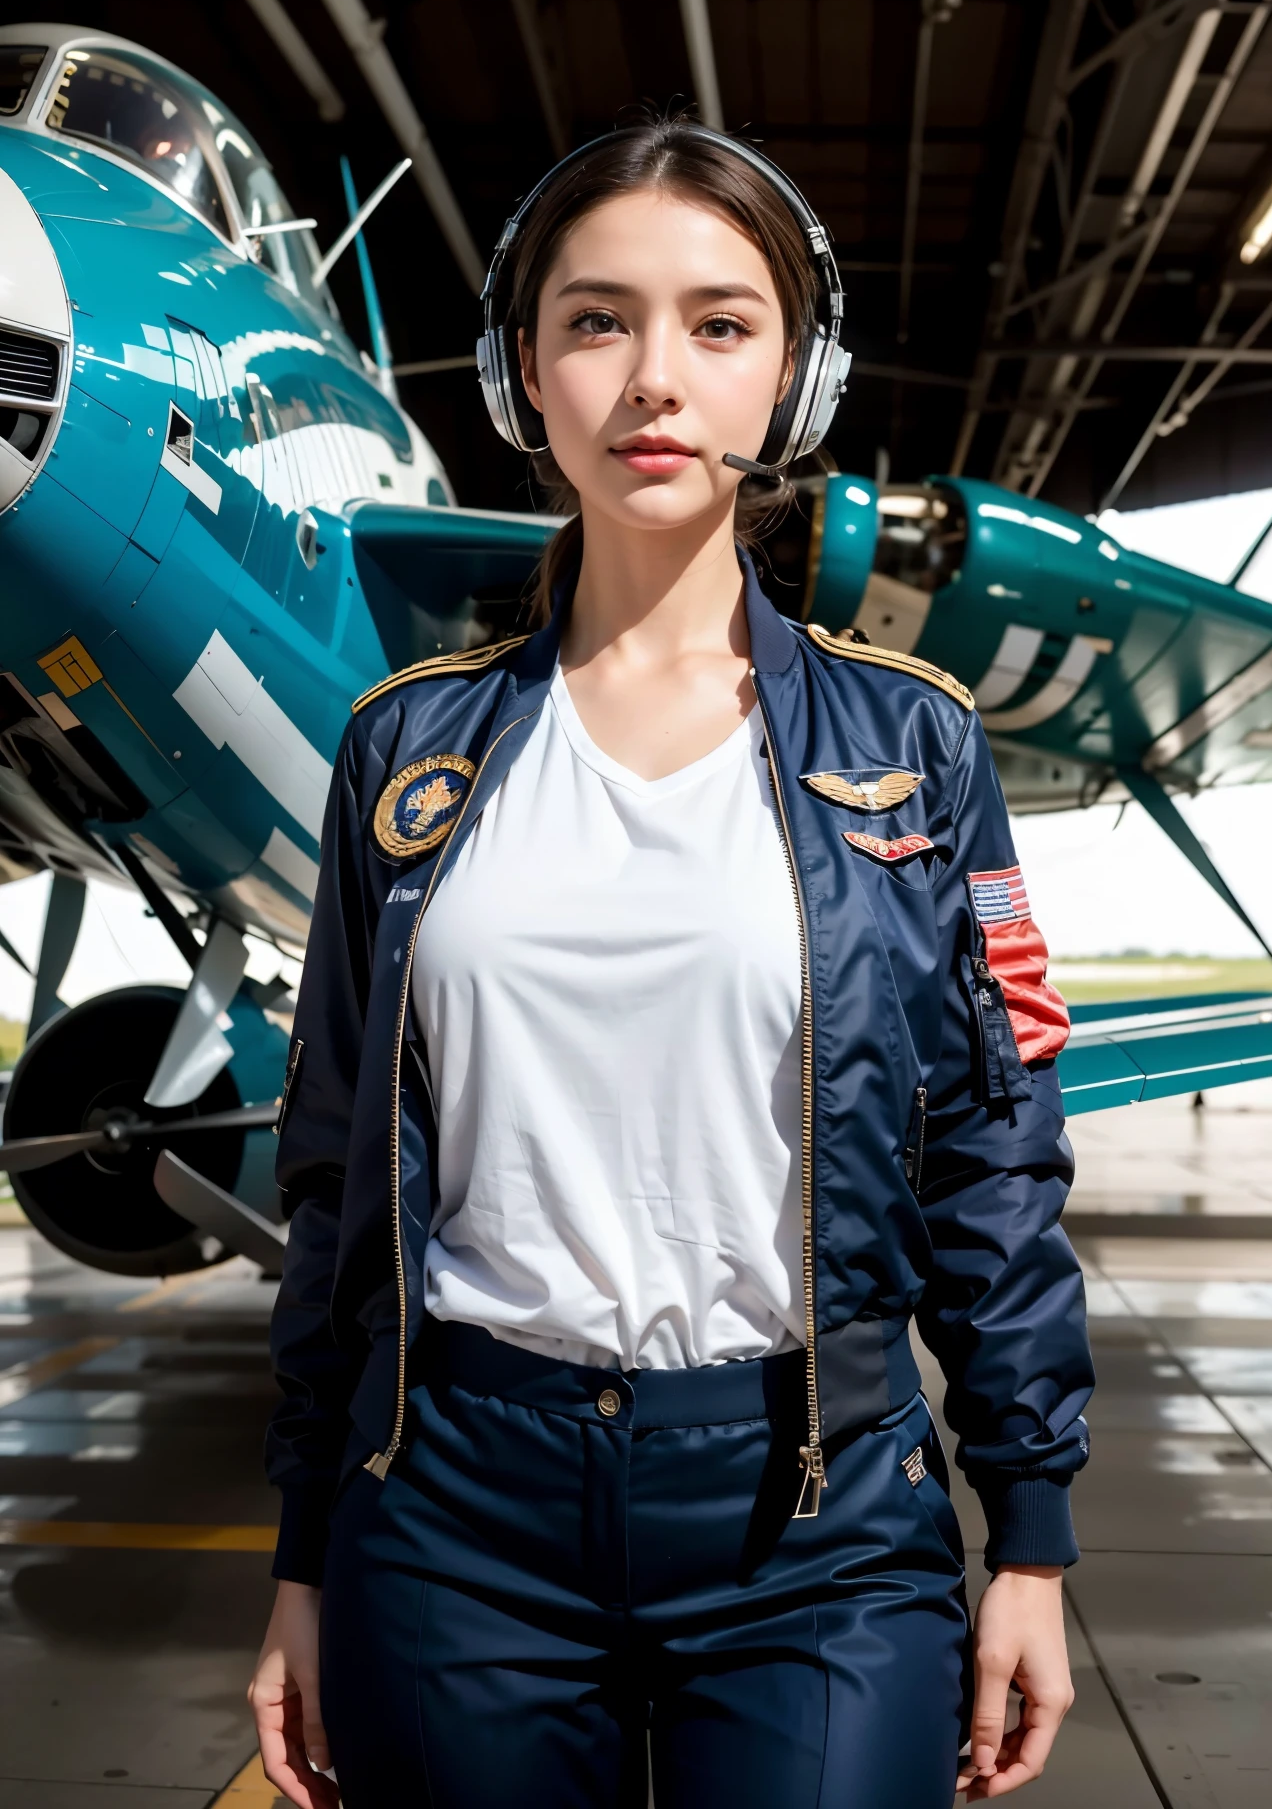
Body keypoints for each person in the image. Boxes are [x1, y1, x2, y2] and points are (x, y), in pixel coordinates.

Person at [248, 117, 1093, 1809]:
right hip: (451, 1509)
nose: (654, 377)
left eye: (719, 324)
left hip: (822, 1515)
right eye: (595, 320)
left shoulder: (914, 749)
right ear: (522, 377)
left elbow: (995, 1154)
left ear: (794, 380)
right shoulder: (400, 757)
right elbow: (336, 1174)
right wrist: (303, 1555)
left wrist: (1035, 1536)